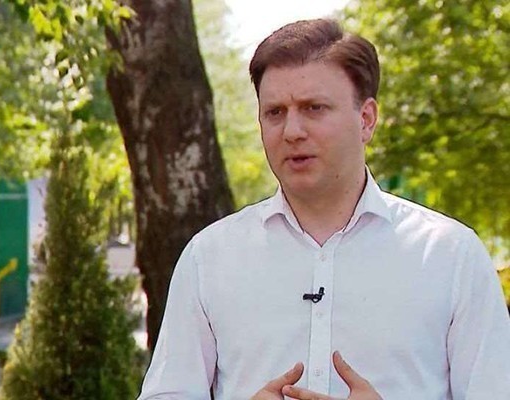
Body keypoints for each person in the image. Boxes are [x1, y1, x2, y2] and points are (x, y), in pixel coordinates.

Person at [137, 19, 510, 400]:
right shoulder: (209, 258)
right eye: (275, 112)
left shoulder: (450, 256)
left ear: (366, 120)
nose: (292, 131)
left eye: (314, 108)